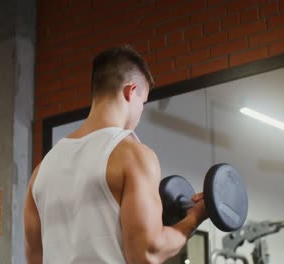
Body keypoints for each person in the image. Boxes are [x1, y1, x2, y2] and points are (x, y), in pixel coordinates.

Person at [24, 45, 208, 264]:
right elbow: (148, 252)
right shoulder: (133, 156)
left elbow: (35, 259)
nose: (141, 111)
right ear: (130, 92)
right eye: (143, 102)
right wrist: (195, 216)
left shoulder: (41, 172)